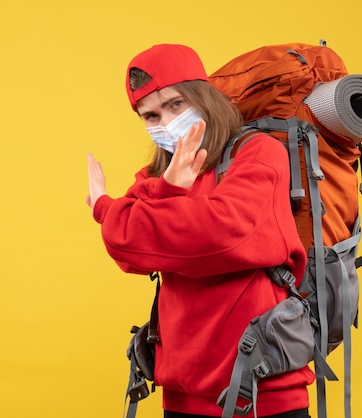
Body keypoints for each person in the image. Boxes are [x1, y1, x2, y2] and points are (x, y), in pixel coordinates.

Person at [86, 44, 315, 418]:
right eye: (151, 115)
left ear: (203, 96)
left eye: (176, 104)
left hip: (264, 394)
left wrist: (109, 209)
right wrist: (167, 190)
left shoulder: (258, 154)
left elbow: (217, 236)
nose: (165, 121)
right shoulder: (156, 178)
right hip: (181, 395)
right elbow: (124, 245)